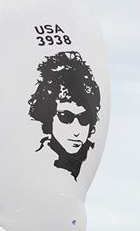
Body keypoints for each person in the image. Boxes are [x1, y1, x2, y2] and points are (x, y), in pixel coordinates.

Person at [28, 51, 102, 180]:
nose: (76, 131)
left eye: (84, 119)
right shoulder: (35, 157)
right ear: (48, 117)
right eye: (66, 117)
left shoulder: (91, 154)